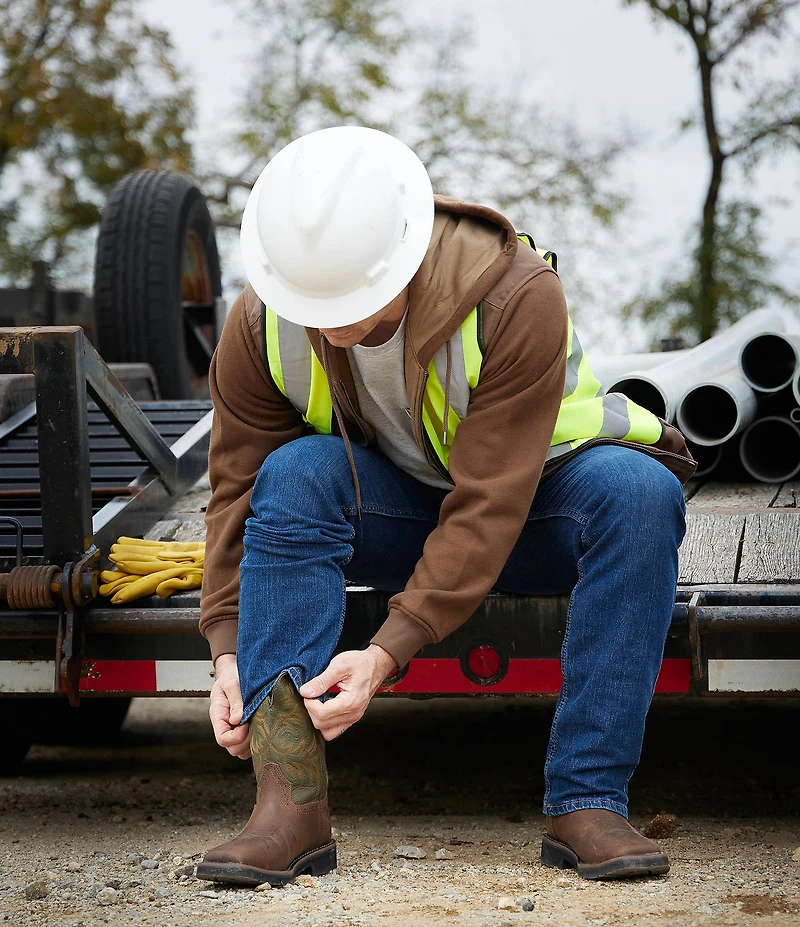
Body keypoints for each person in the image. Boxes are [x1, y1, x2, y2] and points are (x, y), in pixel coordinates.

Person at [195, 126, 695, 887]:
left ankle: (588, 798)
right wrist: (227, 647)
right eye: (310, 304)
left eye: (349, 303)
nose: (327, 327)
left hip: (535, 504)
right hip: (402, 509)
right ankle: (287, 804)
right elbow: (234, 485)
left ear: (404, 256)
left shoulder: (516, 295)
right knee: (292, 472)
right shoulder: (262, 320)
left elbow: (490, 501)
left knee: (641, 493)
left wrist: (387, 651)